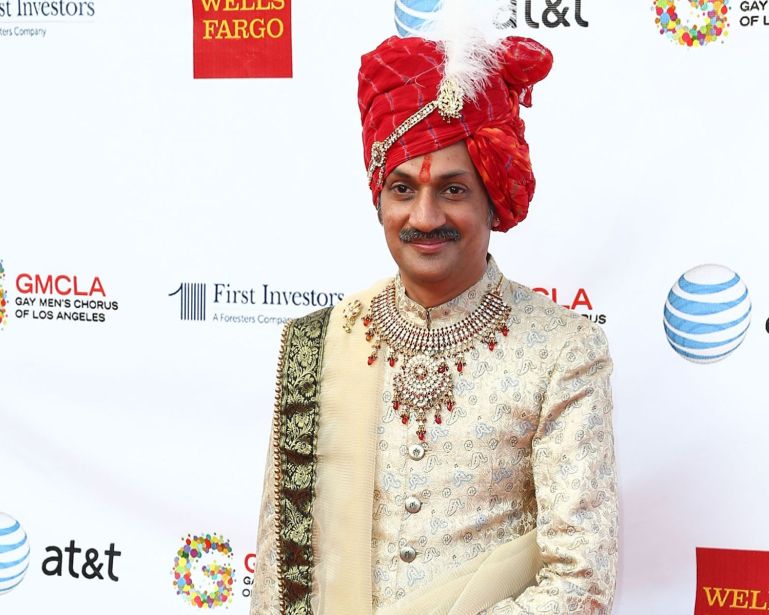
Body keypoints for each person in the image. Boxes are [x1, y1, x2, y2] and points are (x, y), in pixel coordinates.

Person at [250, 13, 618, 615]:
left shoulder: (562, 350)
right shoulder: (319, 346)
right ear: (378, 198)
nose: (423, 217)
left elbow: (579, 583)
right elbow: (279, 576)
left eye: (452, 189)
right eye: (401, 189)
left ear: (493, 201)